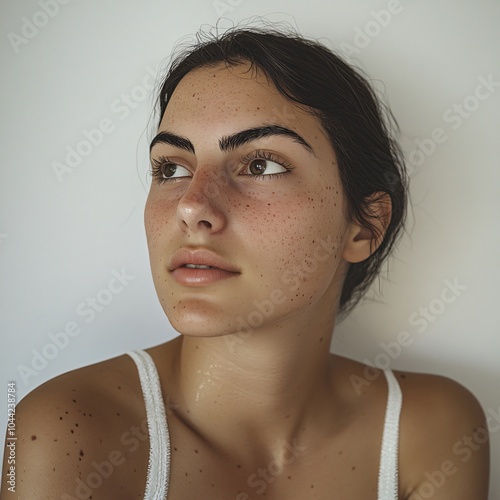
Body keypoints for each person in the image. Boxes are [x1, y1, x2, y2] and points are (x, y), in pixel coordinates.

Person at [1, 25, 489, 499]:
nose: (192, 206)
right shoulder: (63, 435)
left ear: (363, 226)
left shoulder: (428, 433)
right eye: (172, 168)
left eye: (261, 165)